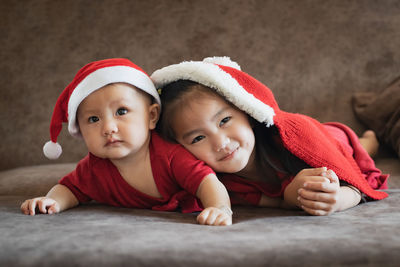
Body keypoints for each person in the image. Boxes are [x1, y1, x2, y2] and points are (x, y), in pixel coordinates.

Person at [151, 57, 389, 216]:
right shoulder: (219, 183)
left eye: (225, 121)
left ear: (248, 111)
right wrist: (290, 197)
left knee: (358, 148)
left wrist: (337, 198)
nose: (220, 143)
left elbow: (357, 186)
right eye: (198, 138)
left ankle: (368, 142)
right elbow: (274, 201)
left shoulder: (298, 138)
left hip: (328, 138)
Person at [20, 58, 232, 226]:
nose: (108, 128)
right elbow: (71, 189)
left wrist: (219, 208)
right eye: (93, 119)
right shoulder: (94, 168)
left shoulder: (169, 155)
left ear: (151, 116)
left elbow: (206, 182)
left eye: (121, 111)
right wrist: (52, 201)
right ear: (81, 131)